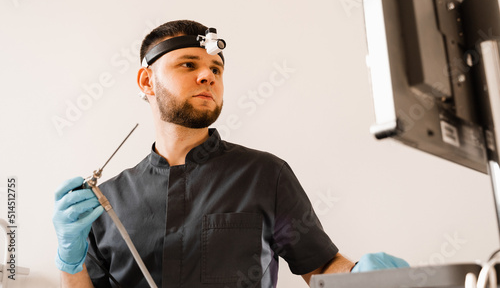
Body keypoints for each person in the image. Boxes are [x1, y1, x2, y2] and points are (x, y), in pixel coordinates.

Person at [53, 20, 409, 288]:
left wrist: (360, 277)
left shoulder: (265, 175)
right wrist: (70, 264)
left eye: (216, 69)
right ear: (147, 82)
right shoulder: (106, 200)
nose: (208, 75)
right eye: (189, 65)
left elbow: (320, 266)